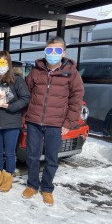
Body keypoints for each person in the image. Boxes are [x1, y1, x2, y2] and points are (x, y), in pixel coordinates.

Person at [22, 36, 84, 206]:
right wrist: (24, 118)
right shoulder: (36, 71)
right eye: (50, 50)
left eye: (57, 50)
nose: (53, 54)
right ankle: (32, 185)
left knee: (51, 158)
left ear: (63, 53)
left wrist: (68, 123)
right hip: (34, 121)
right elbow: (26, 95)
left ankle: (47, 188)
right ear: (45, 51)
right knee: (32, 156)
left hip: (55, 124)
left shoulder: (71, 73)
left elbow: (76, 99)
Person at [0, 51, 30, 192]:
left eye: (4, 62)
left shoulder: (17, 80)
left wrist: (9, 106)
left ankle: (8, 178)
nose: (1, 65)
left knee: (10, 153)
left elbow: (25, 98)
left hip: (11, 122)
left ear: (9, 64)